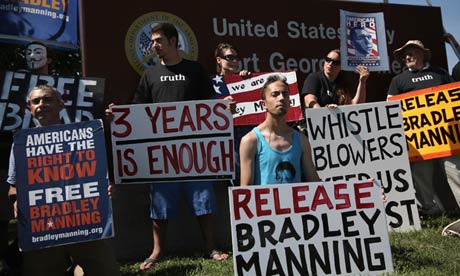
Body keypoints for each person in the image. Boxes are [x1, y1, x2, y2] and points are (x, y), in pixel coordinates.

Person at [123, 23, 229, 270]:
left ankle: (211, 246)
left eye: (159, 40)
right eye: (152, 41)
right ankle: (157, 250)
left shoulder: (194, 70)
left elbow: (209, 103)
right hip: (162, 154)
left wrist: (223, 106)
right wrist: (118, 117)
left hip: (195, 151)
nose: (154, 45)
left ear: (173, 41)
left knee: (203, 198)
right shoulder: (149, 75)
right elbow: (137, 109)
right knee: (160, 202)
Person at [6, 85, 119, 276]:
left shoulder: (87, 135)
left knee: (105, 270)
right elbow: (13, 188)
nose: (42, 105)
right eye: (36, 101)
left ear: (61, 104)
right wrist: (17, 201)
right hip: (44, 225)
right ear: (29, 109)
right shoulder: (21, 144)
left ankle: (77, 269)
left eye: (47, 99)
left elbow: (98, 174)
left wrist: (105, 188)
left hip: (86, 221)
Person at [387, 39, 460, 214]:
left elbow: (454, 98)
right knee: (421, 173)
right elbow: (389, 105)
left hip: (446, 137)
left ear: (421, 54)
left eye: (411, 52)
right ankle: (429, 207)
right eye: (405, 54)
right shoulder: (398, 80)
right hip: (418, 140)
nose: (407, 56)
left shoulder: (440, 74)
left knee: (454, 169)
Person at [239, 74, 320, 186]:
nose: (281, 98)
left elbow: (315, 183)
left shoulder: (302, 140)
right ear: (264, 104)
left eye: (285, 94)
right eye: (275, 94)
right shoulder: (250, 141)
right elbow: (245, 191)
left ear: (289, 102)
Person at [214, 43, 251, 186]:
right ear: (219, 60)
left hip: (246, 134)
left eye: (236, 58)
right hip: (225, 139)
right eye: (229, 57)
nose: (235, 61)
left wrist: (249, 81)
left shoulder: (245, 79)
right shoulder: (210, 84)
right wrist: (219, 105)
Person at [302, 49, 369, 109]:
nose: (330, 64)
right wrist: (324, 113)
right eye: (328, 60)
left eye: (335, 62)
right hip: (317, 121)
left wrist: (362, 81)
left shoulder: (342, 82)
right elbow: (309, 101)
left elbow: (355, 106)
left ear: (341, 66)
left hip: (337, 121)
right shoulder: (314, 78)